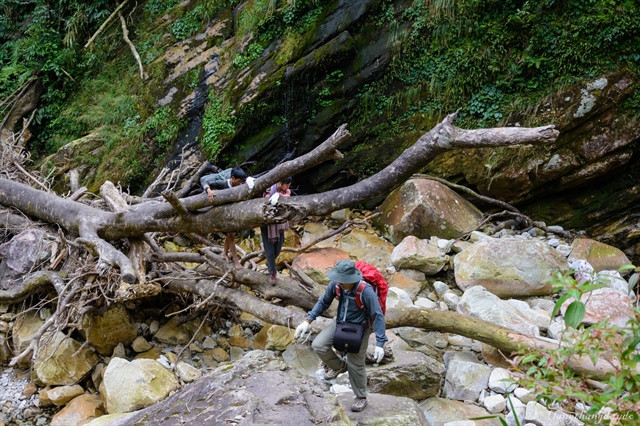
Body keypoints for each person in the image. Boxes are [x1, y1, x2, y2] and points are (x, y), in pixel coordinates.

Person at [294, 260, 387, 412]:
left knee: (355, 362)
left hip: (361, 327)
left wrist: (380, 342)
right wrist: (307, 320)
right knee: (319, 345)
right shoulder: (336, 285)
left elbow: (378, 315)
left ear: (353, 279)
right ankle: (339, 366)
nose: (341, 283)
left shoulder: (366, 291)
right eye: (339, 280)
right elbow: (323, 301)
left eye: (344, 281)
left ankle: (361, 397)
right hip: (341, 323)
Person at [200, 167, 249, 268]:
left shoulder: (239, 185)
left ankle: (224, 254)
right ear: (233, 178)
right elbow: (205, 181)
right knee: (231, 235)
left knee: (230, 234)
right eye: (239, 181)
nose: (240, 184)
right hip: (220, 215)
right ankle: (236, 261)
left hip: (230, 214)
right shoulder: (222, 184)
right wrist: (208, 190)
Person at [260, 177, 292, 284]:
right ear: (279, 182)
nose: (287, 187)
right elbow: (266, 199)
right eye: (286, 184)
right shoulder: (269, 188)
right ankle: (272, 273)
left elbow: (288, 196)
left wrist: (279, 195)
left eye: (289, 184)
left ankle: (270, 264)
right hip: (267, 223)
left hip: (280, 223)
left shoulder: (285, 191)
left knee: (279, 246)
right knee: (269, 249)